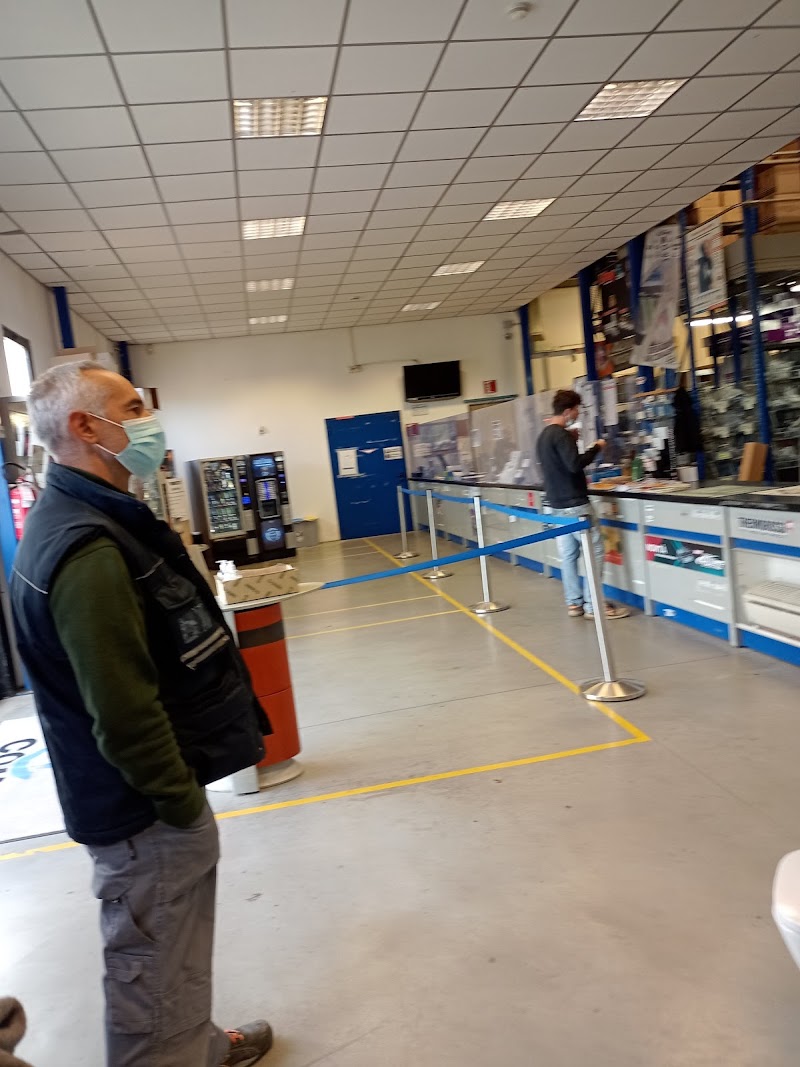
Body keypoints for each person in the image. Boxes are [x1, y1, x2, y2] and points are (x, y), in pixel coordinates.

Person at [11, 362, 274, 1067]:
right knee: (151, 968)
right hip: (143, 811)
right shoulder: (89, 550)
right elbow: (124, 714)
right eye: (132, 408)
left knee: (174, 949)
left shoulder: (91, 519)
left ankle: (197, 1045)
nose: (149, 420)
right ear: (85, 426)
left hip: (147, 797)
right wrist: (180, 804)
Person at [536, 389, 629, 620]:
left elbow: (559, 462)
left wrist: (571, 440)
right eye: (576, 409)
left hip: (556, 505)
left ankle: (574, 603)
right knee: (595, 551)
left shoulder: (545, 436)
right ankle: (593, 605)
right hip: (575, 504)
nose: (577, 414)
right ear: (568, 411)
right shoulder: (562, 435)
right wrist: (597, 447)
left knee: (568, 555)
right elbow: (574, 465)